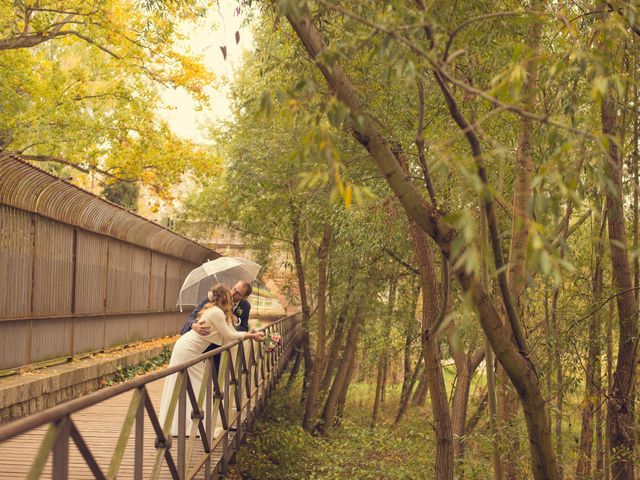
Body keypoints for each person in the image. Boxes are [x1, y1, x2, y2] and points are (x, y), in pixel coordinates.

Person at [158, 284, 264, 436]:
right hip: (188, 350)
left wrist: (251, 333)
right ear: (225, 298)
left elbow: (234, 331)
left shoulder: (219, 312)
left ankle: (190, 424)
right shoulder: (215, 313)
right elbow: (229, 335)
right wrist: (250, 336)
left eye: (237, 293)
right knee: (202, 385)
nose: (233, 296)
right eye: (230, 293)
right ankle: (195, 426)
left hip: (192, 350)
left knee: (198, 385)